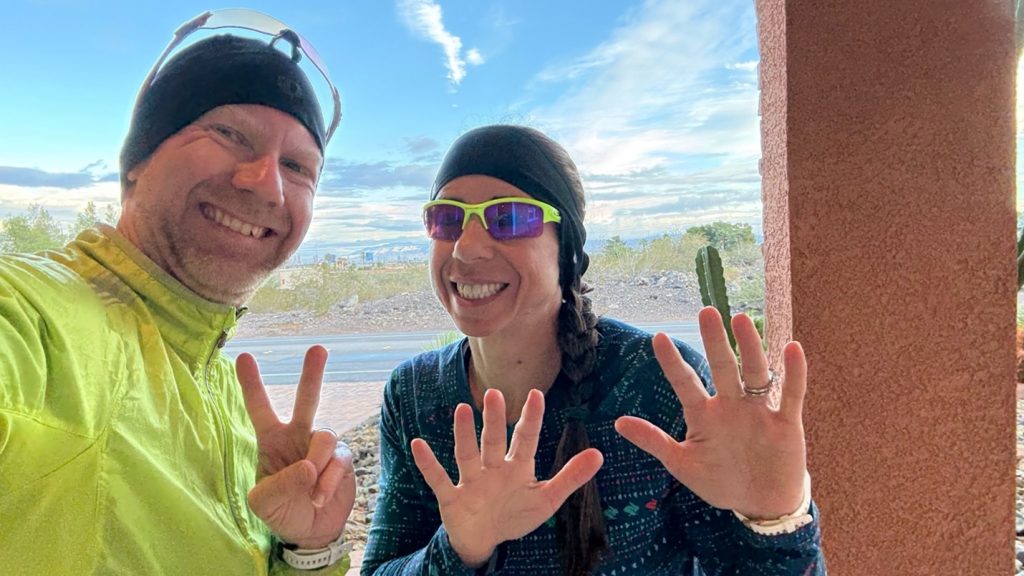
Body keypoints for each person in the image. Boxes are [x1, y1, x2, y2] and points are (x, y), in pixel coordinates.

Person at [362, 125, 826, 575]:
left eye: (508, 218)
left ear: (566, 249)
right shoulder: (414, 393)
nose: (467, 247)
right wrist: (459, 548)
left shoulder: (657, 384)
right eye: (448, 219)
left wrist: (775, 515)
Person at [0, 9, 356, 575]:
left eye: (297, 166)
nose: (267, 184)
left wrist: (307, 551)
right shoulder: (34, 321)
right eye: (229, 134)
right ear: (137, 161)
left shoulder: (226, 396)